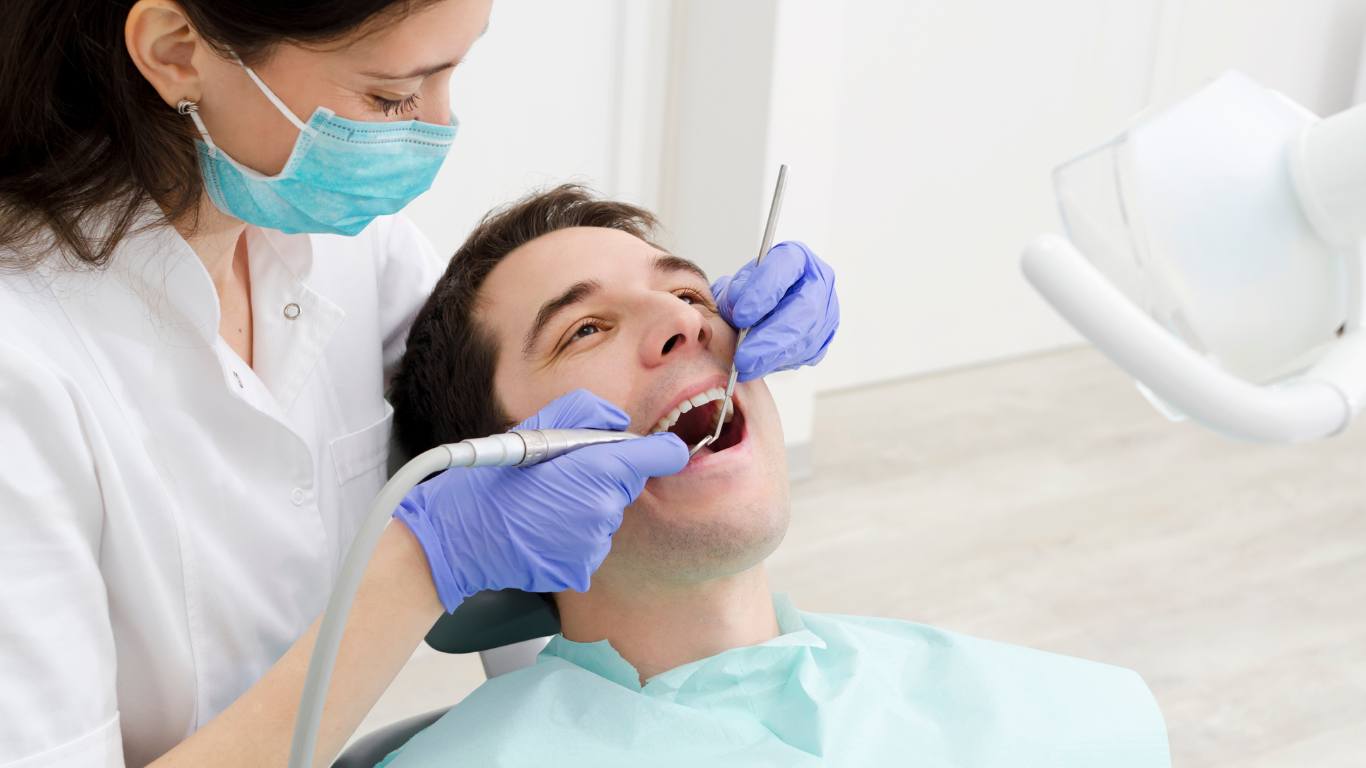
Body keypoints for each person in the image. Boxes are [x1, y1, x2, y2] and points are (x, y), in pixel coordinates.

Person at [0, 3, 839, 766]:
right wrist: (426, 565)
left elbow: (493, 404)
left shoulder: (351, 246)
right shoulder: (26, 363)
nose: (439, 127)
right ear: (178, 51)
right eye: (394, 96)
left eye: (691, 295)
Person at [377, 186, 1171, 767]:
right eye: (585, 329)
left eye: (689, 293)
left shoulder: (1076, 721)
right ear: (496, 464)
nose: (686, 322)